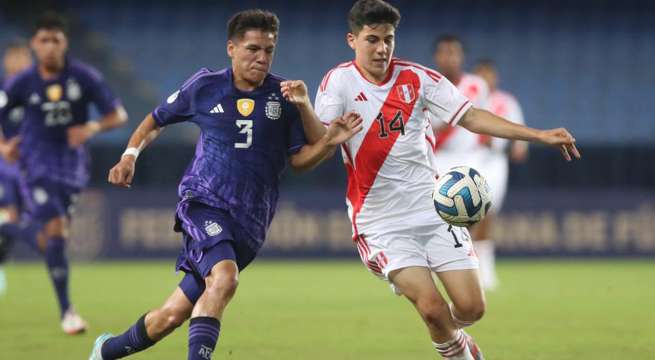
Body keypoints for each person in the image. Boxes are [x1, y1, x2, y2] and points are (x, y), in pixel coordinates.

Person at [88, 9, 362, 360]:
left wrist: (325, 138)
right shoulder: (204, 87)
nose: (261, 58)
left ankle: (106, 351)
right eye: (252, 49)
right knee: (225, 279)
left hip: (250, 221)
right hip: (203, 202)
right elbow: (157, 120)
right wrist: (130, 154)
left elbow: (300, 161)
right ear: (231, 48)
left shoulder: (283, 98)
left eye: (268, 50)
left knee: (170, 316)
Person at [312, 1, 580, 359]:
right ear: (352, 40)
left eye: (388, 39)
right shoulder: (338, 82)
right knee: (432, 308)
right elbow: (318, 140)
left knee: (472, 308)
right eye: (372, 39)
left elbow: (471, 117)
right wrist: (327, 133)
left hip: (434, 211)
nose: (381, 48)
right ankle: (457, 347)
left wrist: (539, 135)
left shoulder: (418, 79)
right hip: (380, 221)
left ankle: (451, 334)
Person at [0, 13, 128, 334]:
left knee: (53, 241)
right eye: (44, 40)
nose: (50, 47)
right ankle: (67, 312)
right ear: (34, 44)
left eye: (56, 40)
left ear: (65, 42)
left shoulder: (84, 77)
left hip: (72, 167)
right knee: (55, 231)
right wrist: (3, 147)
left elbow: (118, 114)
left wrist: (91, 126)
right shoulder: (21, 82)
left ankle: (8, 226)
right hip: (35, 164)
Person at [430, 34, 497, 290]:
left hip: (472, 159)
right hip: (439, 157)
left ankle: (482, 271)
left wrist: (489, 143)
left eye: (454, 52)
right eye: (444, 52)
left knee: (479, 214)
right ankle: (442, 270)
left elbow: (485, 116)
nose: (449, 57)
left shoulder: (476, 85)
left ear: (462, 56)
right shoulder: (429, 83)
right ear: (437, 56)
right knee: (440, 219)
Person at [471, 58, 529, 289]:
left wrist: (512, 146)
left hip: (495, 163)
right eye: (480, 74)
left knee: (488, 214)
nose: (485, 79)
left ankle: (485, 271)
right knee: (459, 217)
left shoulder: (506, 102)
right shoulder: (466, 98)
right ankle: (454, 270)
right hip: (468, 159)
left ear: (496, 77)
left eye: (488, 74)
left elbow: (519, 140)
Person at [0, 39, 33, 296]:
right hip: (4, 163)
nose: (19, 63)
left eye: (23, 58)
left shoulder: (36, 90)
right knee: (8, 213)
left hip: (31, 164)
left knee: (19, 219)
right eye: (14, 58)